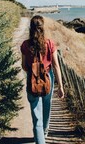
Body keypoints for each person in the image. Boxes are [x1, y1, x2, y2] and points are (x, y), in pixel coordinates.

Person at [21, 15, 64, 144]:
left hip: (32, 79)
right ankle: (44, 132)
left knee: (36, 115)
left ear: (31, 28)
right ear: (42, 28)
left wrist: (33, 72)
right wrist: (60, 86)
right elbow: (56, 66)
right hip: (47, 79)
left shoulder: (25, 45)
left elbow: (24, 66)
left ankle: (40, 135)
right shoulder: (50, 44)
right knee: (47, 106)